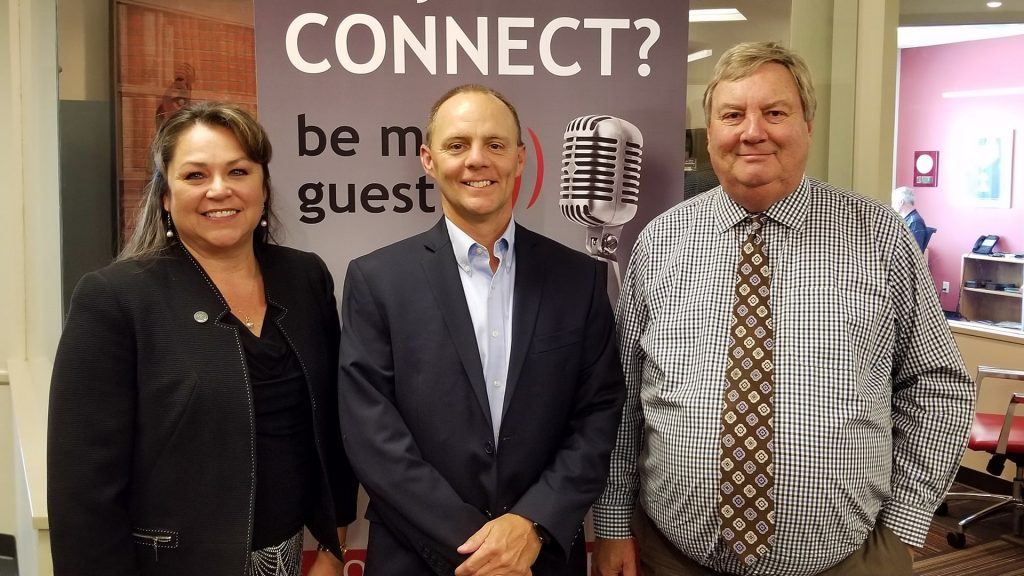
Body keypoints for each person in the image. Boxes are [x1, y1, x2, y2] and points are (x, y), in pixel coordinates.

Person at [592, 42, 975, 576]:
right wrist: (612, 522)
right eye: (732, 115)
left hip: (848, 559)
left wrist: (905, 526)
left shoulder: (879, 237)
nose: (752, 131)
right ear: (712, 132)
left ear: (807, 125)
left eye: (774, 112)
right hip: (673, 556)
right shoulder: (661, 242)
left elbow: (937, 383)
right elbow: (623, 395)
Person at [48, 101, 358, 576]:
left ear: (262, 185)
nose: (220, 189)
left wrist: (333, 549)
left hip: (291, 558)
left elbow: (331, 426)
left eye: (238, 171)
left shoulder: (304, 277)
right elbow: (83, 493)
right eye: (195, 176)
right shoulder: (115, 298)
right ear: (166, 196)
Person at [337, 84, 625, 576]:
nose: (477, 160)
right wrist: (479, 548)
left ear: (519, 159)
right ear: (428, 159)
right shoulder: (376, 280)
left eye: (494, 144)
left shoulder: (579, 278)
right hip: (418, 556)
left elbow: (598, 414)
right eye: (457, 145)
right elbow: (372, 435)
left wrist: (531, 524)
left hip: (542, 556)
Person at [893, 186, 930, 251]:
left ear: (901, 202)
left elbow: (913, 252)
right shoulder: (908, 220)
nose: (892, 205)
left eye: (893, 202)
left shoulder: (915, 222)